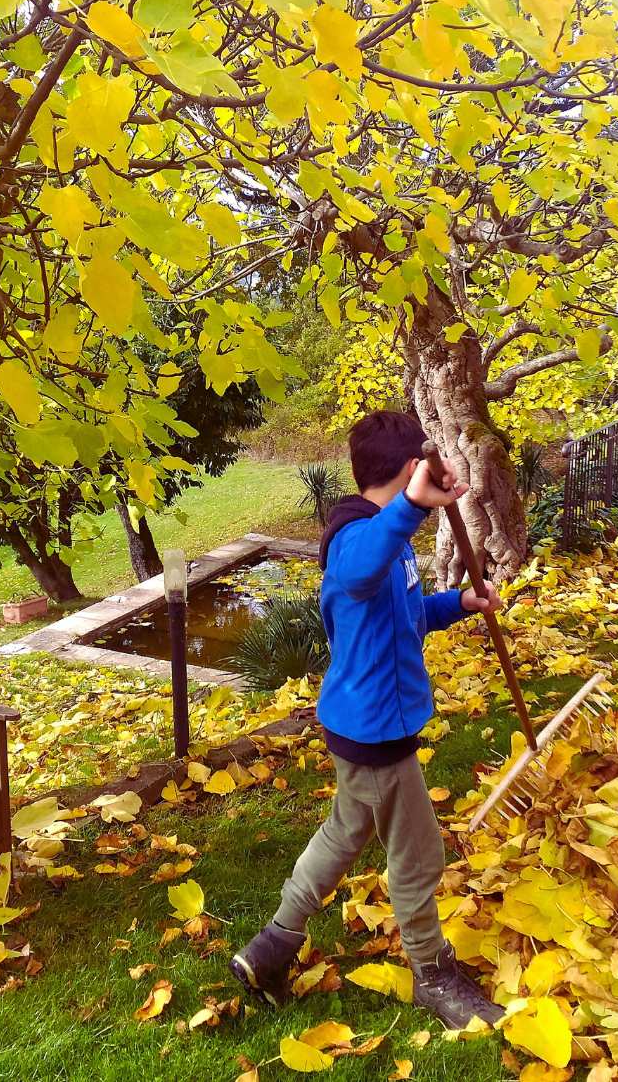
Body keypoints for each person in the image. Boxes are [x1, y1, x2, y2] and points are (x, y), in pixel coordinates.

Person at [230, 410, 504, 1028]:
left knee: (343, 833)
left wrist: (458, 602)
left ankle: (271, 947)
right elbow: (355, 574)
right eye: (419, 482)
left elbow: (402, 613)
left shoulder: (387, 538)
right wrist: (411, 506)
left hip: (363, 720)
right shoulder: (359, 535)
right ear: (412, 473)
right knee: (418, 856)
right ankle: (432, 972)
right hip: (377, 729)